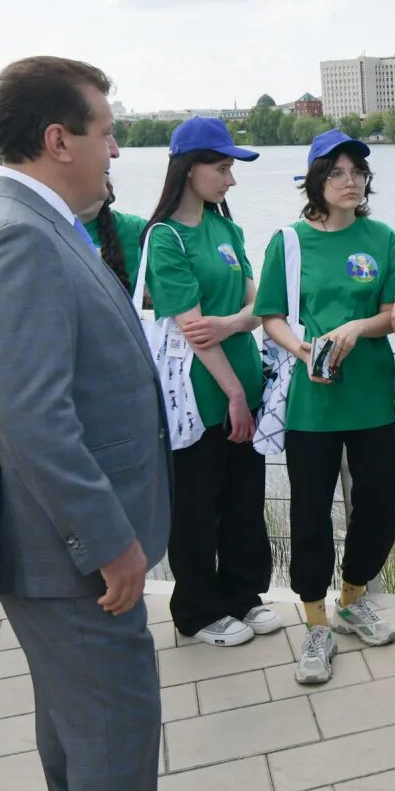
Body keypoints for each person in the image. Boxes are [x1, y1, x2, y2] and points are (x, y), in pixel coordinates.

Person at [0, 55, 228, 791]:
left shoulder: (37, 224)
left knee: (77, 728)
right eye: (106, 129)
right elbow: (36, 420)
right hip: (66, 546)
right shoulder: (16, 239)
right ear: (57, 139)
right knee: (112, 721)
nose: (117, 147)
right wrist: (109, 539)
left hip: (54, 540)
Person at [254, 130, 395, 686]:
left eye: (358, 173)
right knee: (310, 513)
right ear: (316, 181)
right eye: (337, 173)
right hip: (311, 404)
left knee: (384, 500)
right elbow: (270, 314)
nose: (350, 182)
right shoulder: (289, 242)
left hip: (369, 396)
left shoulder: (383, 238)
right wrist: (302, 349)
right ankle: (315, 622)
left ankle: (353, 596)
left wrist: (354, 328)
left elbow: (392, 311)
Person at [142, 117, 279, 648]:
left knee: (244, 499)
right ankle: (198, 611)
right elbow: (191, 330)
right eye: (221, 169)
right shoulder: (166, 238)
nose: (230, 180)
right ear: (188, 169)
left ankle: (245, 594)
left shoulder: (227, 228)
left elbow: (258, 301)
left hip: (244, 375)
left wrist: (232, 323)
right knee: (198, 505)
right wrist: (235, 394)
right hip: (200, 394)